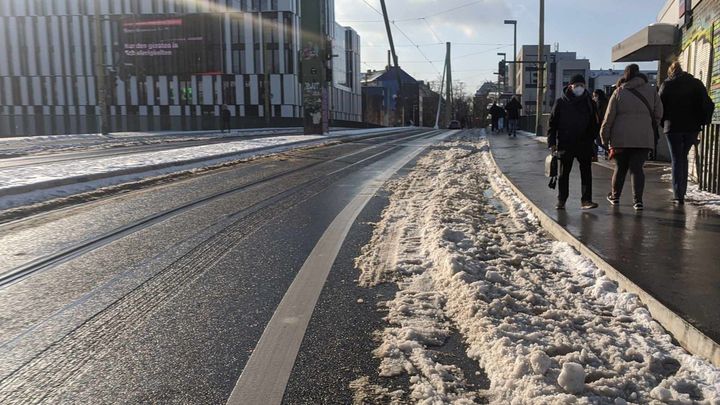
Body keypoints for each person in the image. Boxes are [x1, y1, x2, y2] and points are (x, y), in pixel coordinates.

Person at [600, 64, 663, 211]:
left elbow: (609, 117)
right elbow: (659, 112)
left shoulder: (619, 92)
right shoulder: (651, 90)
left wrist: (604, 136)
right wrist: (648, 125)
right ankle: (638, 201)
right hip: (643, 138)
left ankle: (615, 197)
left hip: (620, 138)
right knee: (637, 169)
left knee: (620, 168)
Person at [659, 61, 713, 205]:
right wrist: (702, 121)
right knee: (683, 157)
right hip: (691, 127)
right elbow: (708, 103)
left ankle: (678, 194)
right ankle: (682, 191)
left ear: (671, 72)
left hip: (672, 127)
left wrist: (662, 123)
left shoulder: (667, 85)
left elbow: (659, 107)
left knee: (676, 158)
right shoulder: (696, 84)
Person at [547, 74, 600, 210]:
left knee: (586, 173)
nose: (579, 88)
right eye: (576, 85)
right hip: (566, 143)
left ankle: (586, 200)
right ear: (570, 86)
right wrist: (552, 143)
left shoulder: (590, 102)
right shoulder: (560, 102)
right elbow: (552, 125)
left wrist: (592, 138)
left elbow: (595, 123)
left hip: (584, 143)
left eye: (582, 85)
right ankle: (561, 200)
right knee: (564, 174)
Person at [592, 89, 609, 160]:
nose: (593, 97)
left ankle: (609, 151)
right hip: (603, 124)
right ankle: (597, 155)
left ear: (598, 95)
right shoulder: (606, 101)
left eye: (595, 96)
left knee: (597, 141)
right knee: (598, 140)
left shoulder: (600, 103)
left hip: (600, 124)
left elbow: (599, 115)